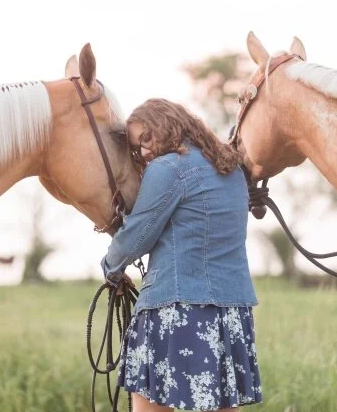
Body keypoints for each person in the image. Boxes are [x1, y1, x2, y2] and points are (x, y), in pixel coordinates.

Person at [100, 98, 262, 412]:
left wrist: (110, 267)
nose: (144, 152)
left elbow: (137, 236)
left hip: (176, 311)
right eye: (137, 147)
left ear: (166, 123)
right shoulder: (232, 167)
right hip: (232, 311)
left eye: (145, 138)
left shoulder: (168, 168)